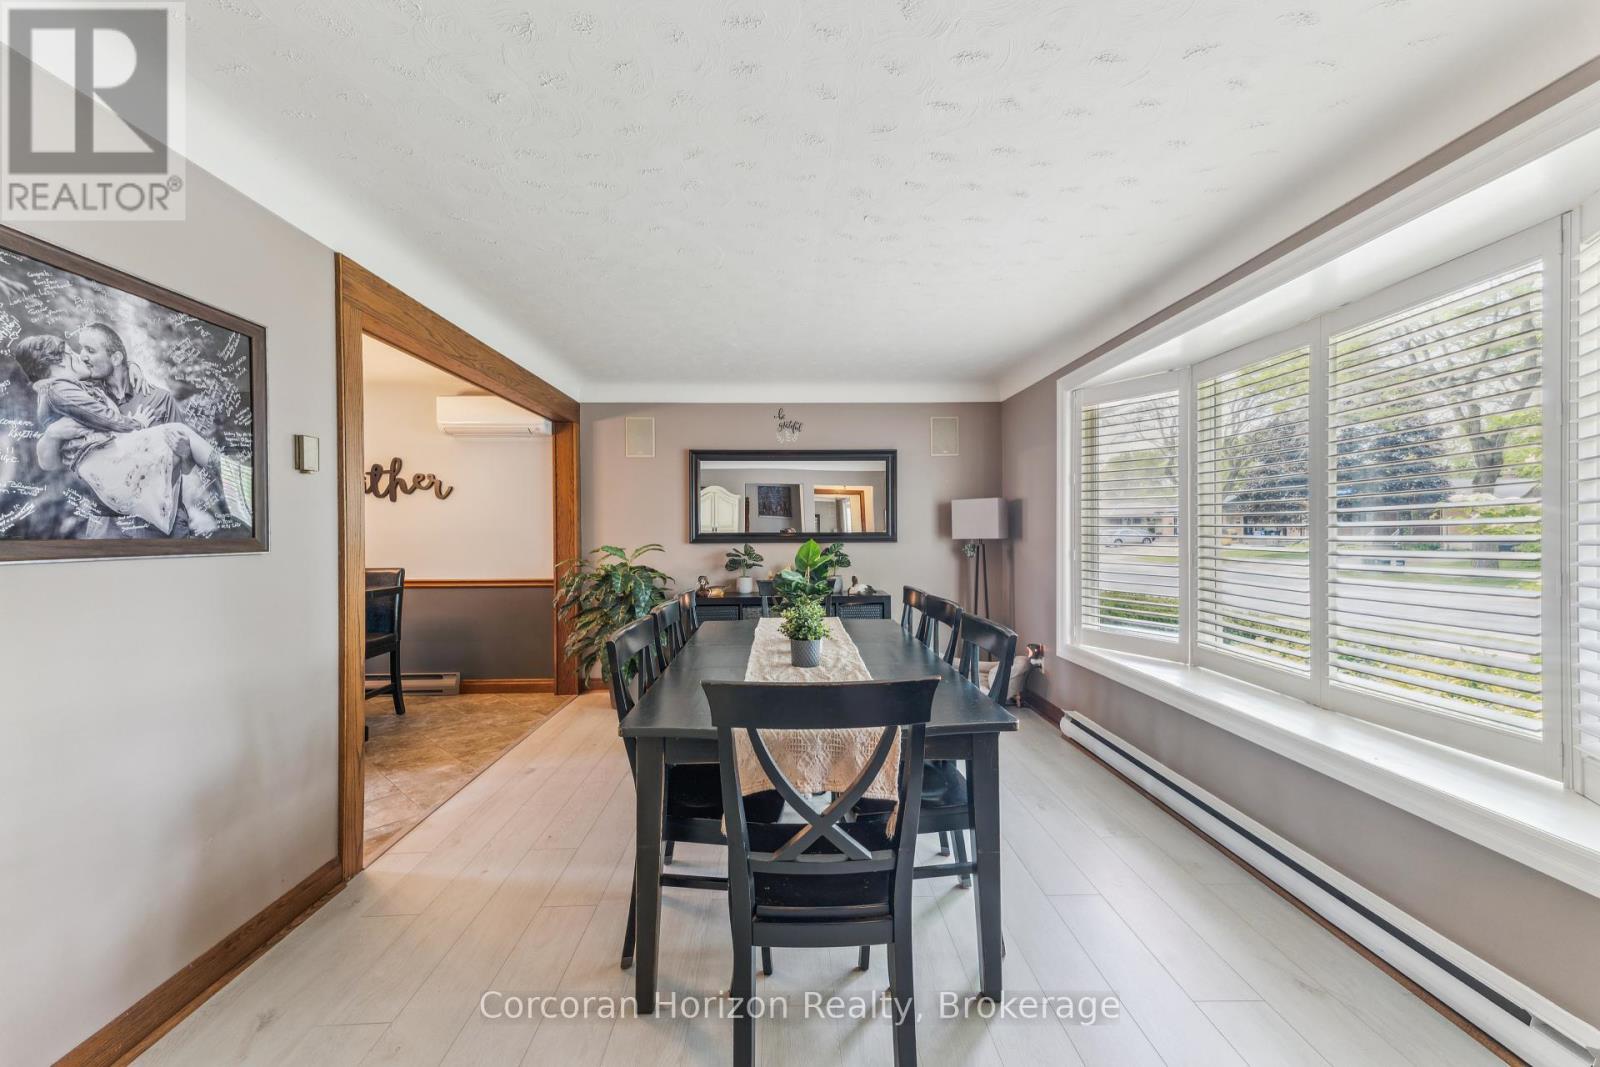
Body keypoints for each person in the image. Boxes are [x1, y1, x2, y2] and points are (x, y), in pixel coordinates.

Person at [14, 332, 219, 536]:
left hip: (160, 515)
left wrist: (185, 457)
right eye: (77, 351)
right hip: (111, 522)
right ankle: (228, 472)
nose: (82, 355)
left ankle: (228, 475)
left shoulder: (159, 399)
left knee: (181, 434)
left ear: (117, 358)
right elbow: (49, 462)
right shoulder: (74, 391)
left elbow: (188, 467)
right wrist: (51, 434)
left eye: (90, 351)